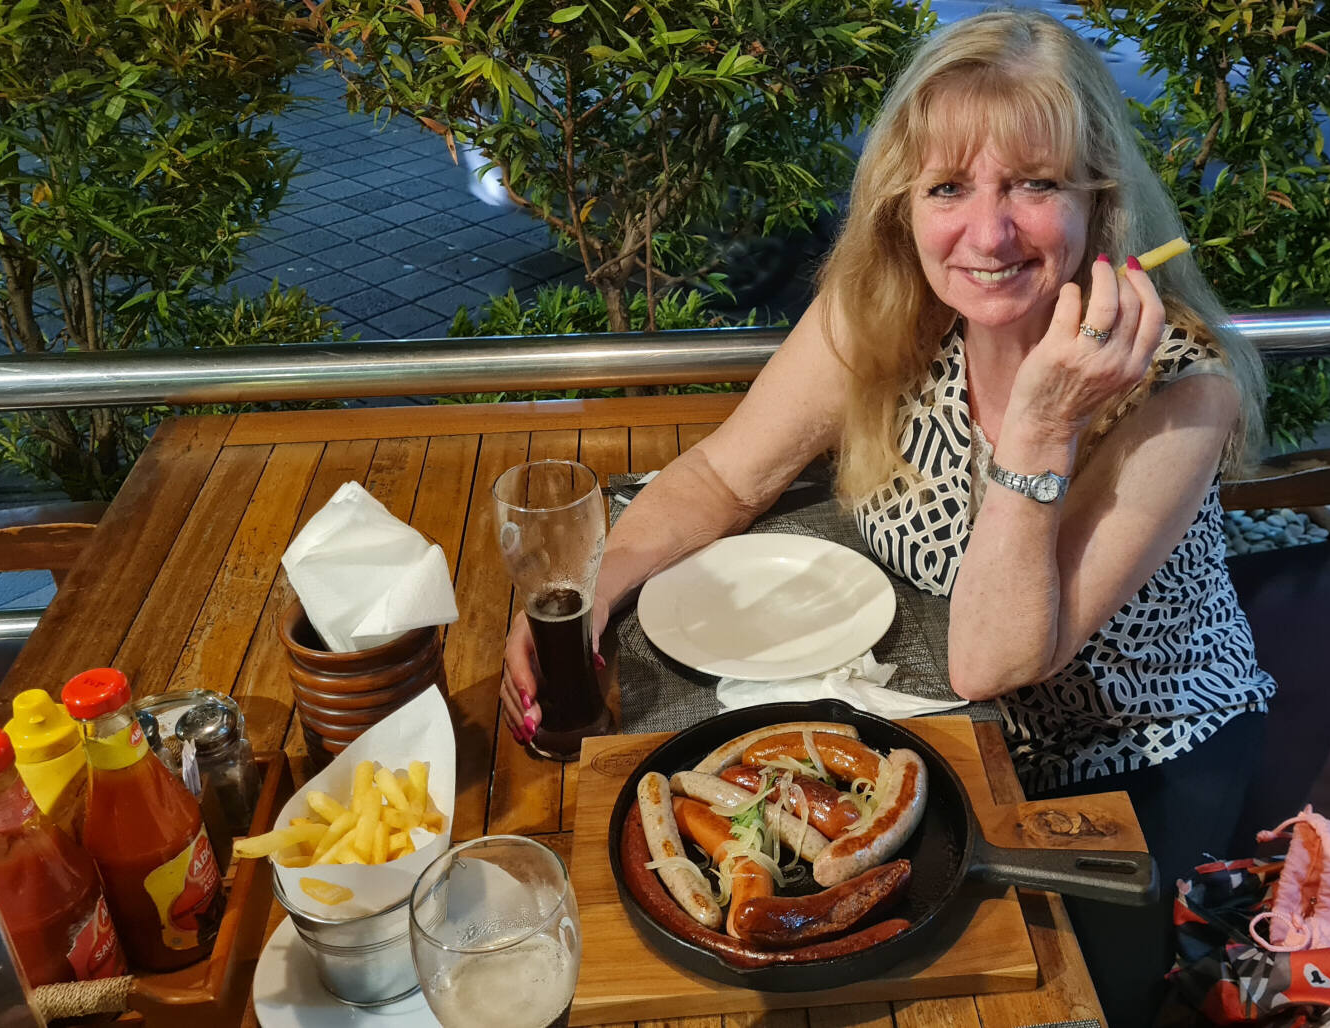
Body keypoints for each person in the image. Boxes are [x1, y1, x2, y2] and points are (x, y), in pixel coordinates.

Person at [502, 8, 1276, 1023]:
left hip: (1129, 756)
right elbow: (721, 476)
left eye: (1033, 186)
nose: (988, 233)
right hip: (936, 729)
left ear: (1099, 202)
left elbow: (995, 659)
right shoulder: (883, 311)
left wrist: (1040, 421)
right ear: (901, 202)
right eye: (949, 187)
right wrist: (585, 594)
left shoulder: (1178, 393)